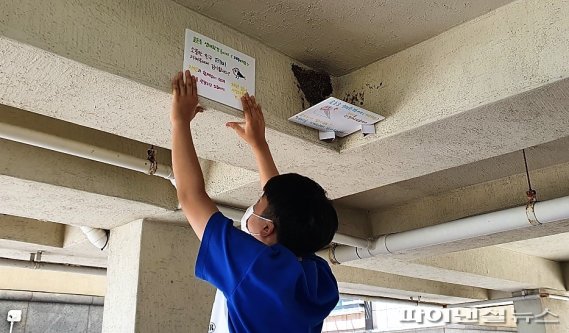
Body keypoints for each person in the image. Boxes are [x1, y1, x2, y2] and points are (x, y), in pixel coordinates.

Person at [170, 70, 339, 332]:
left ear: (268, 228)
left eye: (259, 201)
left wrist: (180, 120)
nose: (255, 204)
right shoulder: (317, 279)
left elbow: (191, 197)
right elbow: (281, 211)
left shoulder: (257, 269)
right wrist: (259, 145)